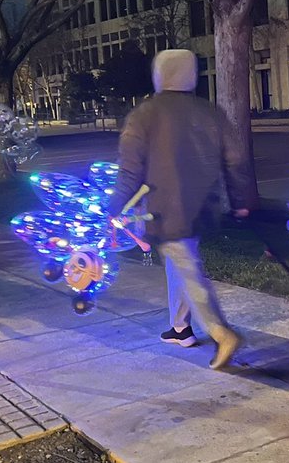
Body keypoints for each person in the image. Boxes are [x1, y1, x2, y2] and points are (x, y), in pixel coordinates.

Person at [108, 49, 251, 370]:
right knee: (180, 262)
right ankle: (180, 327)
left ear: (160, 74)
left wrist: (115, 204)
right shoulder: (210, 112)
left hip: (165, 207)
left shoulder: (145, 114)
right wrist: (240, 203)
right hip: (203, 206)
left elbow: (130, 169)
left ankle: (220, 331)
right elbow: (235, 161)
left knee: (186, 267)